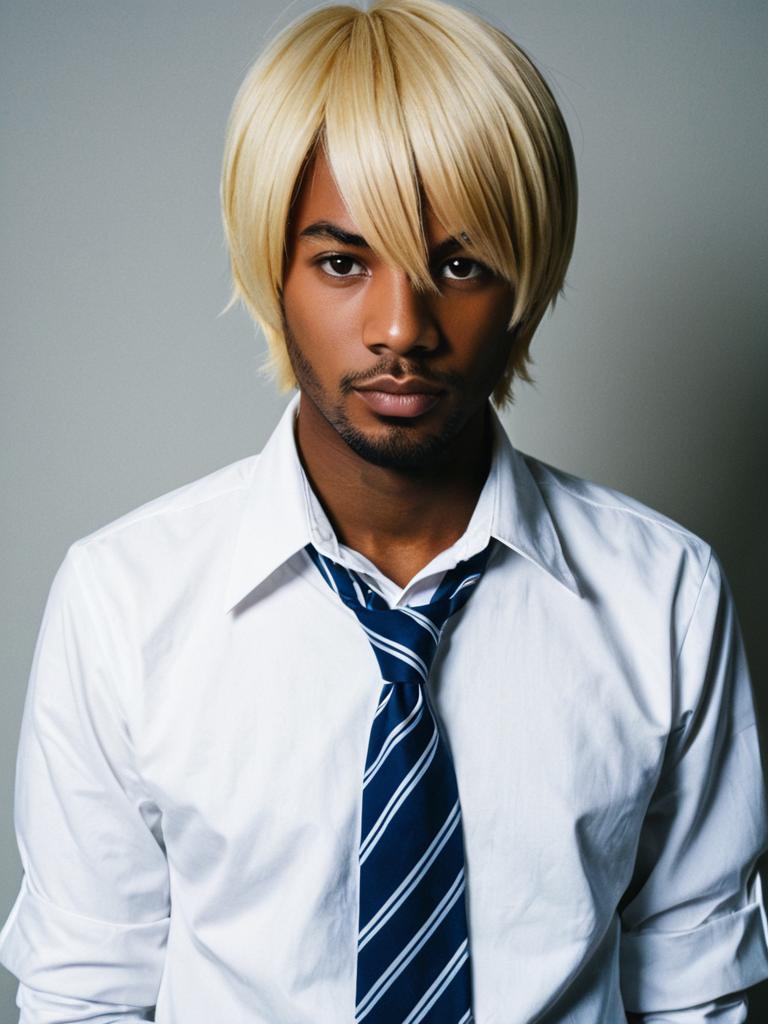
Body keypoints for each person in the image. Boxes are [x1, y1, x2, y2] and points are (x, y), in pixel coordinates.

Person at [1, 0, 767, 1020]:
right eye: (342, 262)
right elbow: (85, 993)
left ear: (526, 285)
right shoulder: (124, 602)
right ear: (271, 270)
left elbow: (697, 990)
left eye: (459, 265)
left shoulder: (663, 595)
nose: (401, 328)